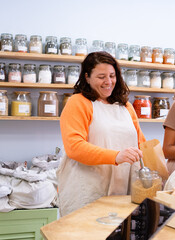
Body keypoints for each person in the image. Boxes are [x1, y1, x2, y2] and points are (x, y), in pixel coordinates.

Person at [57, 51, 145, 216]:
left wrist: (156, 169)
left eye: (112, 76)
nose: (108, 82)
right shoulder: (78, 102)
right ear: (87, 77)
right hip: (89, 188)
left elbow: (141, 144)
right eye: (101, 76)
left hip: (124, 187)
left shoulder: (125, 107)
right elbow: (74, 147)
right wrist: (116, 156)